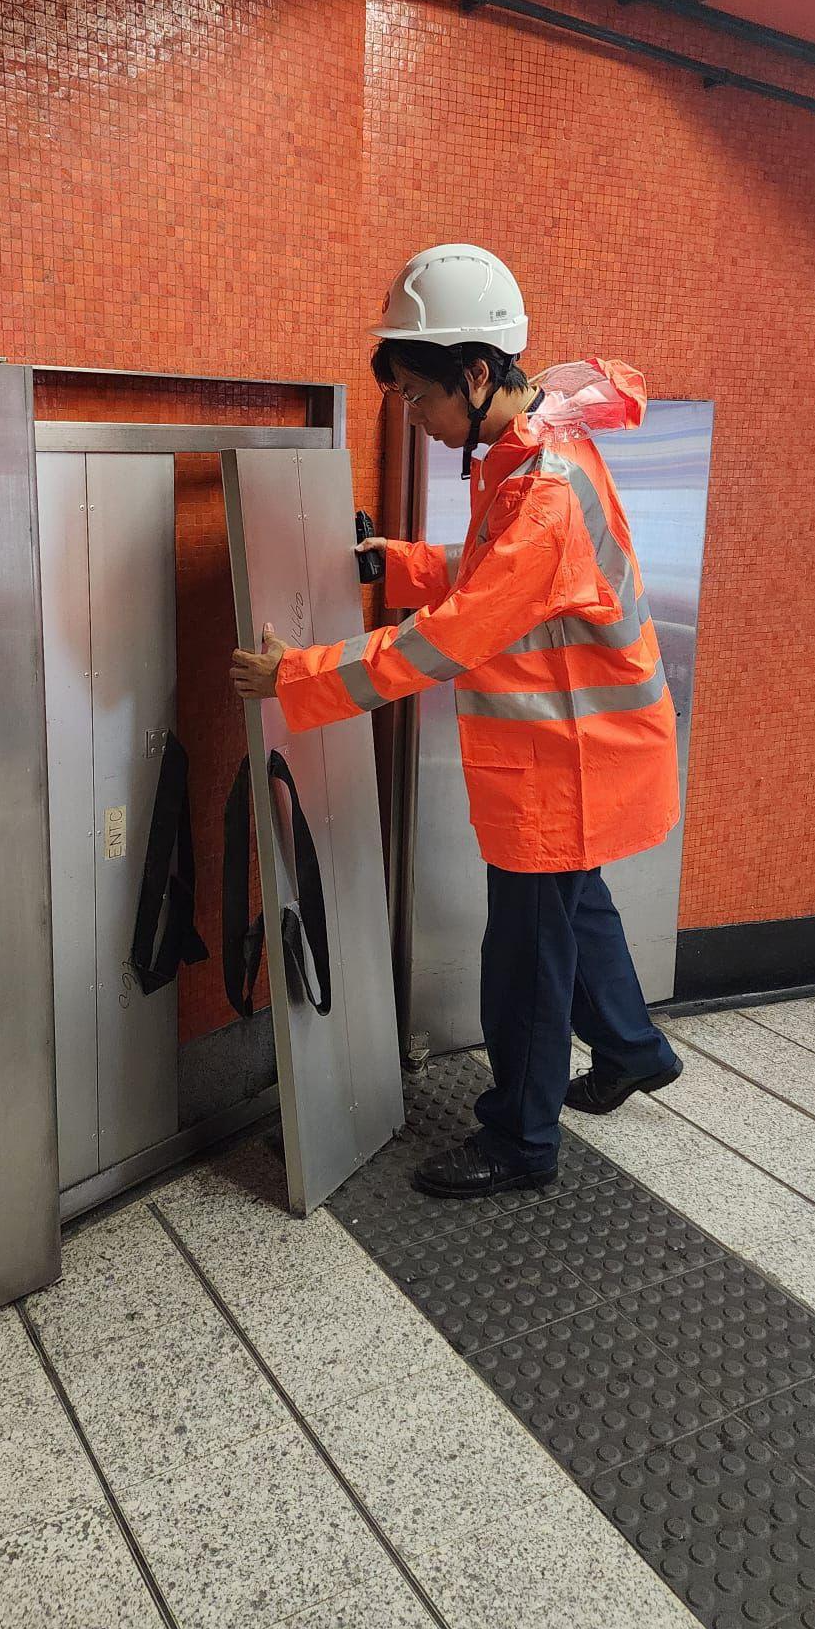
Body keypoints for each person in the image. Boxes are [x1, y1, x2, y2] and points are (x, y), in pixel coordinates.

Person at [231, 243, 682, 1198]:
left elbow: (450, 638)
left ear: (477, 374)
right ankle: (636, 1049)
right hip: (576, 747)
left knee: (524, 950)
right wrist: (386, 562)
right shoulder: (526, 455)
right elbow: (483, 568)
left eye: (419, 398)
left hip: (567, 757)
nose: (417, 418)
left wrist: (296, 678)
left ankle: (521, 1143)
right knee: (574, 909)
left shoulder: (545, 494)